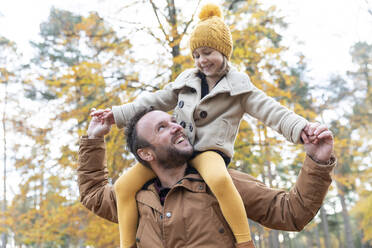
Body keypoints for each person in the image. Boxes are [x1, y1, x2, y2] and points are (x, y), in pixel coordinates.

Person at [92, 4, 315, 248]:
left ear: (224, 51)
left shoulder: (239, 88)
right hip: (177, 151)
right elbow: (152, 101)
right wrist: (115, 115)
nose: (201, 60)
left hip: (209, 151)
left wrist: (300, 129)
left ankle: (244, 241)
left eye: (207, 53)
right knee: (124, 186)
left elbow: (272, 112)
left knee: (219, 179)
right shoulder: (186, 81)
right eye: (196, 55)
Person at [78, 109, 335, 248]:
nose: (177, 126)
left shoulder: (221, 183)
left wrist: (318, 160)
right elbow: (92, 194)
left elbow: (291, 212)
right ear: (146, 154)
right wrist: (93, 139)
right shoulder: (135, 199)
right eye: (162, 128)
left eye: (172, 121)